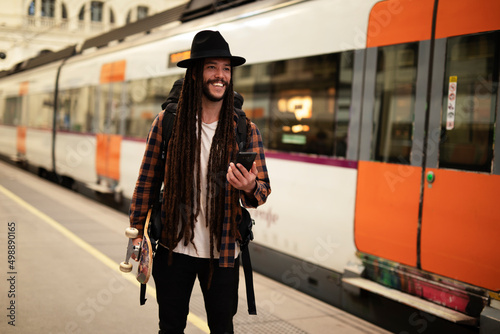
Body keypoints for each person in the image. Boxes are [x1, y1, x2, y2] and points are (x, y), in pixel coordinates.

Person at [129, 30, 271, 334]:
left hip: (222, 253)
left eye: (226, 69)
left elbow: (261, 193)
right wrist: (137, 234)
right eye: (211, 67)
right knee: (170, 327)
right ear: (195, 74)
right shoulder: (168, 123)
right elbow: (146, 182)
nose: (220, 75)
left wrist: (248, 187)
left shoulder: (245, 130)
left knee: (222, 328)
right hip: (172, 247)